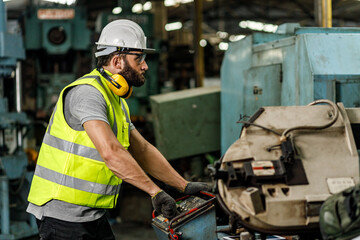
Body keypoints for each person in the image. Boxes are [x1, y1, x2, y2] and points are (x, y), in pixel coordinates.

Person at [26, 19, 210, 240]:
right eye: (138, 58)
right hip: (62, 215)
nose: (145, 65)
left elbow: (141, 148)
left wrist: (183, 185)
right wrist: (155, 192)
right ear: (117, 61)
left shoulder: (116, 99)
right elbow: (111, 152)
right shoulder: (87, 94)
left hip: (91, 214)